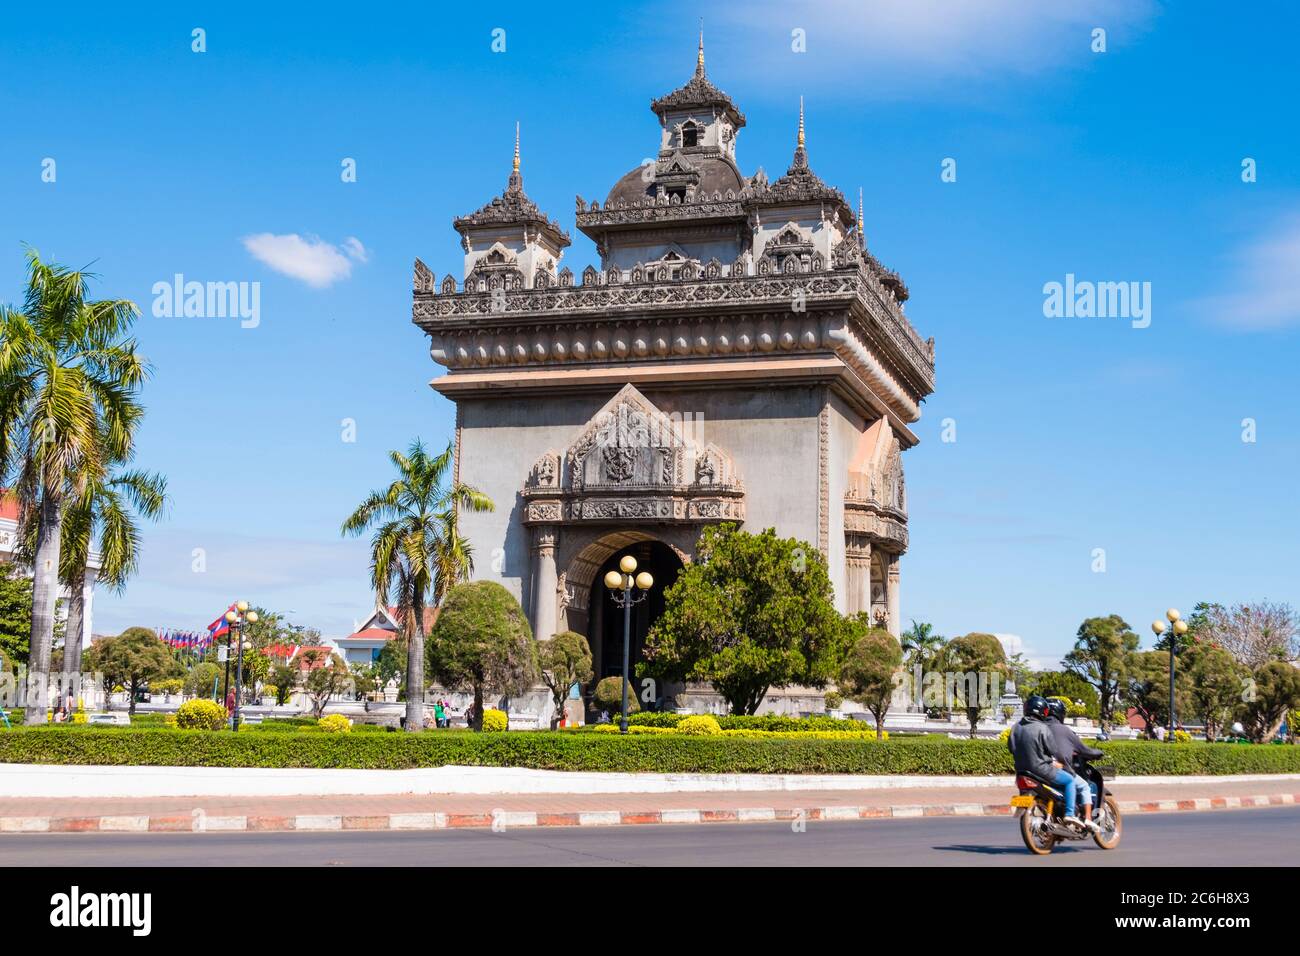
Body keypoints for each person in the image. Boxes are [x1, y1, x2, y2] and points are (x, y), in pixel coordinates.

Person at [1008, 694, 1084, 828]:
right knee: (1069, 780)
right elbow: (1054, 750)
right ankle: (1070, 814)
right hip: (1042, 770)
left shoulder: (1015, 728)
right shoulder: (1043, 728)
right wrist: (1064, 764)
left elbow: (1011, 748)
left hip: (1021, 772)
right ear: (1043, 711)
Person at [1045, 698, 1104, 831]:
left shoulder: (1039, 727)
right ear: (1060, 713)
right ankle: (1088, 819)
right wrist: (1098, 753)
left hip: (1040, 769)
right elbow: (1083, 750)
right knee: (1084, 786)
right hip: (1059, 770)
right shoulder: (1065, 730)